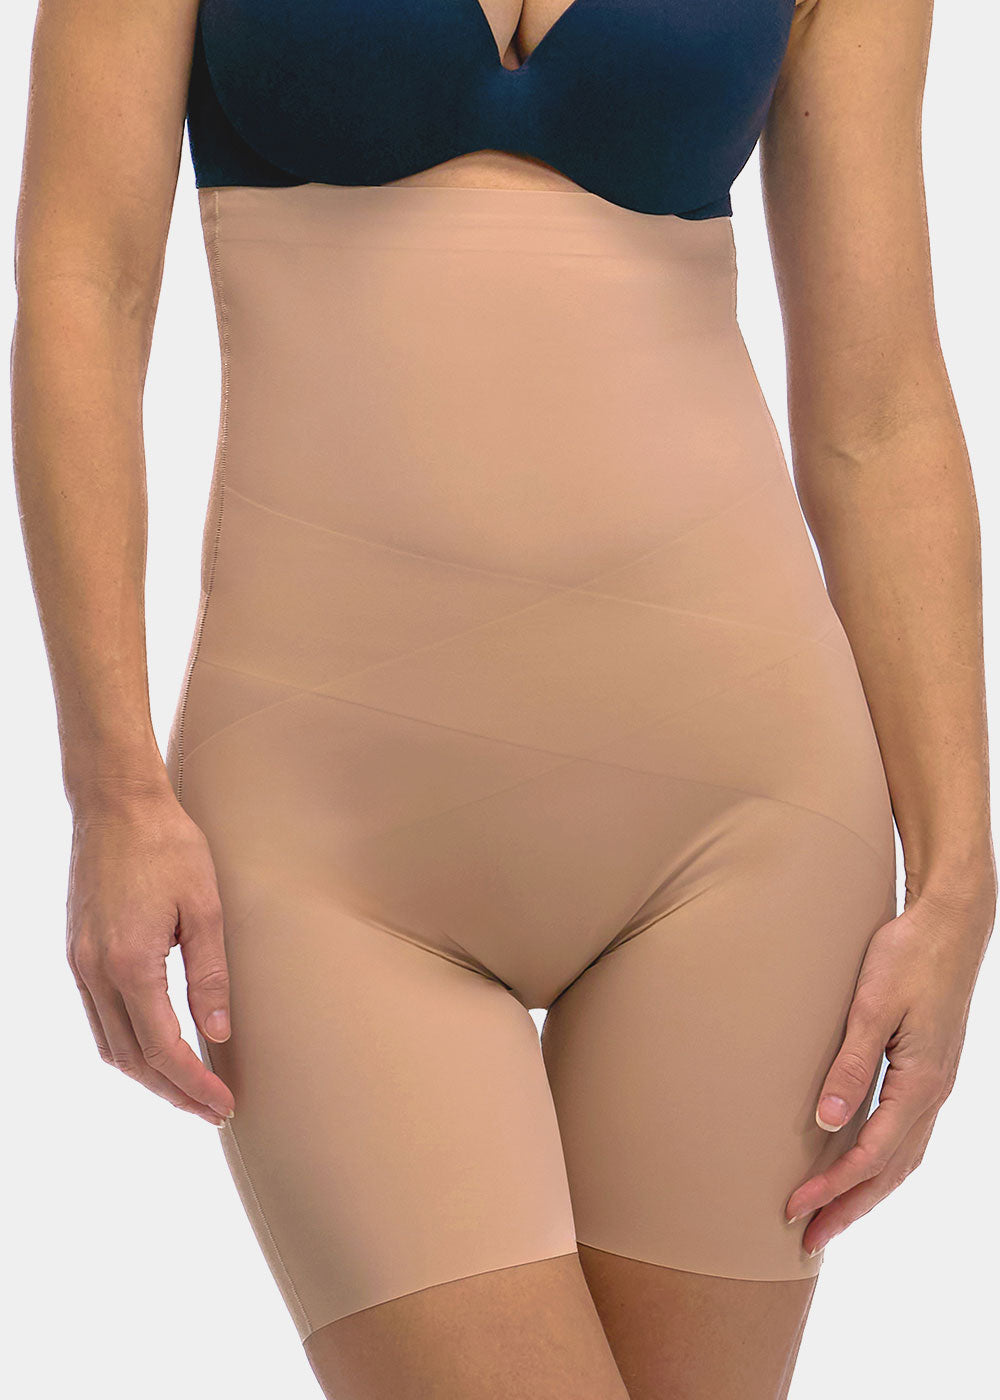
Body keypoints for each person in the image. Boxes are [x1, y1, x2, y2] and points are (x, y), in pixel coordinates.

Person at [10, 2, 994, 1397]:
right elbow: (83, 295)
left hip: (747, 817)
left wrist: (960, 875)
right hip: (323, 831)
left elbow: (877, 409)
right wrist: (112, 786)